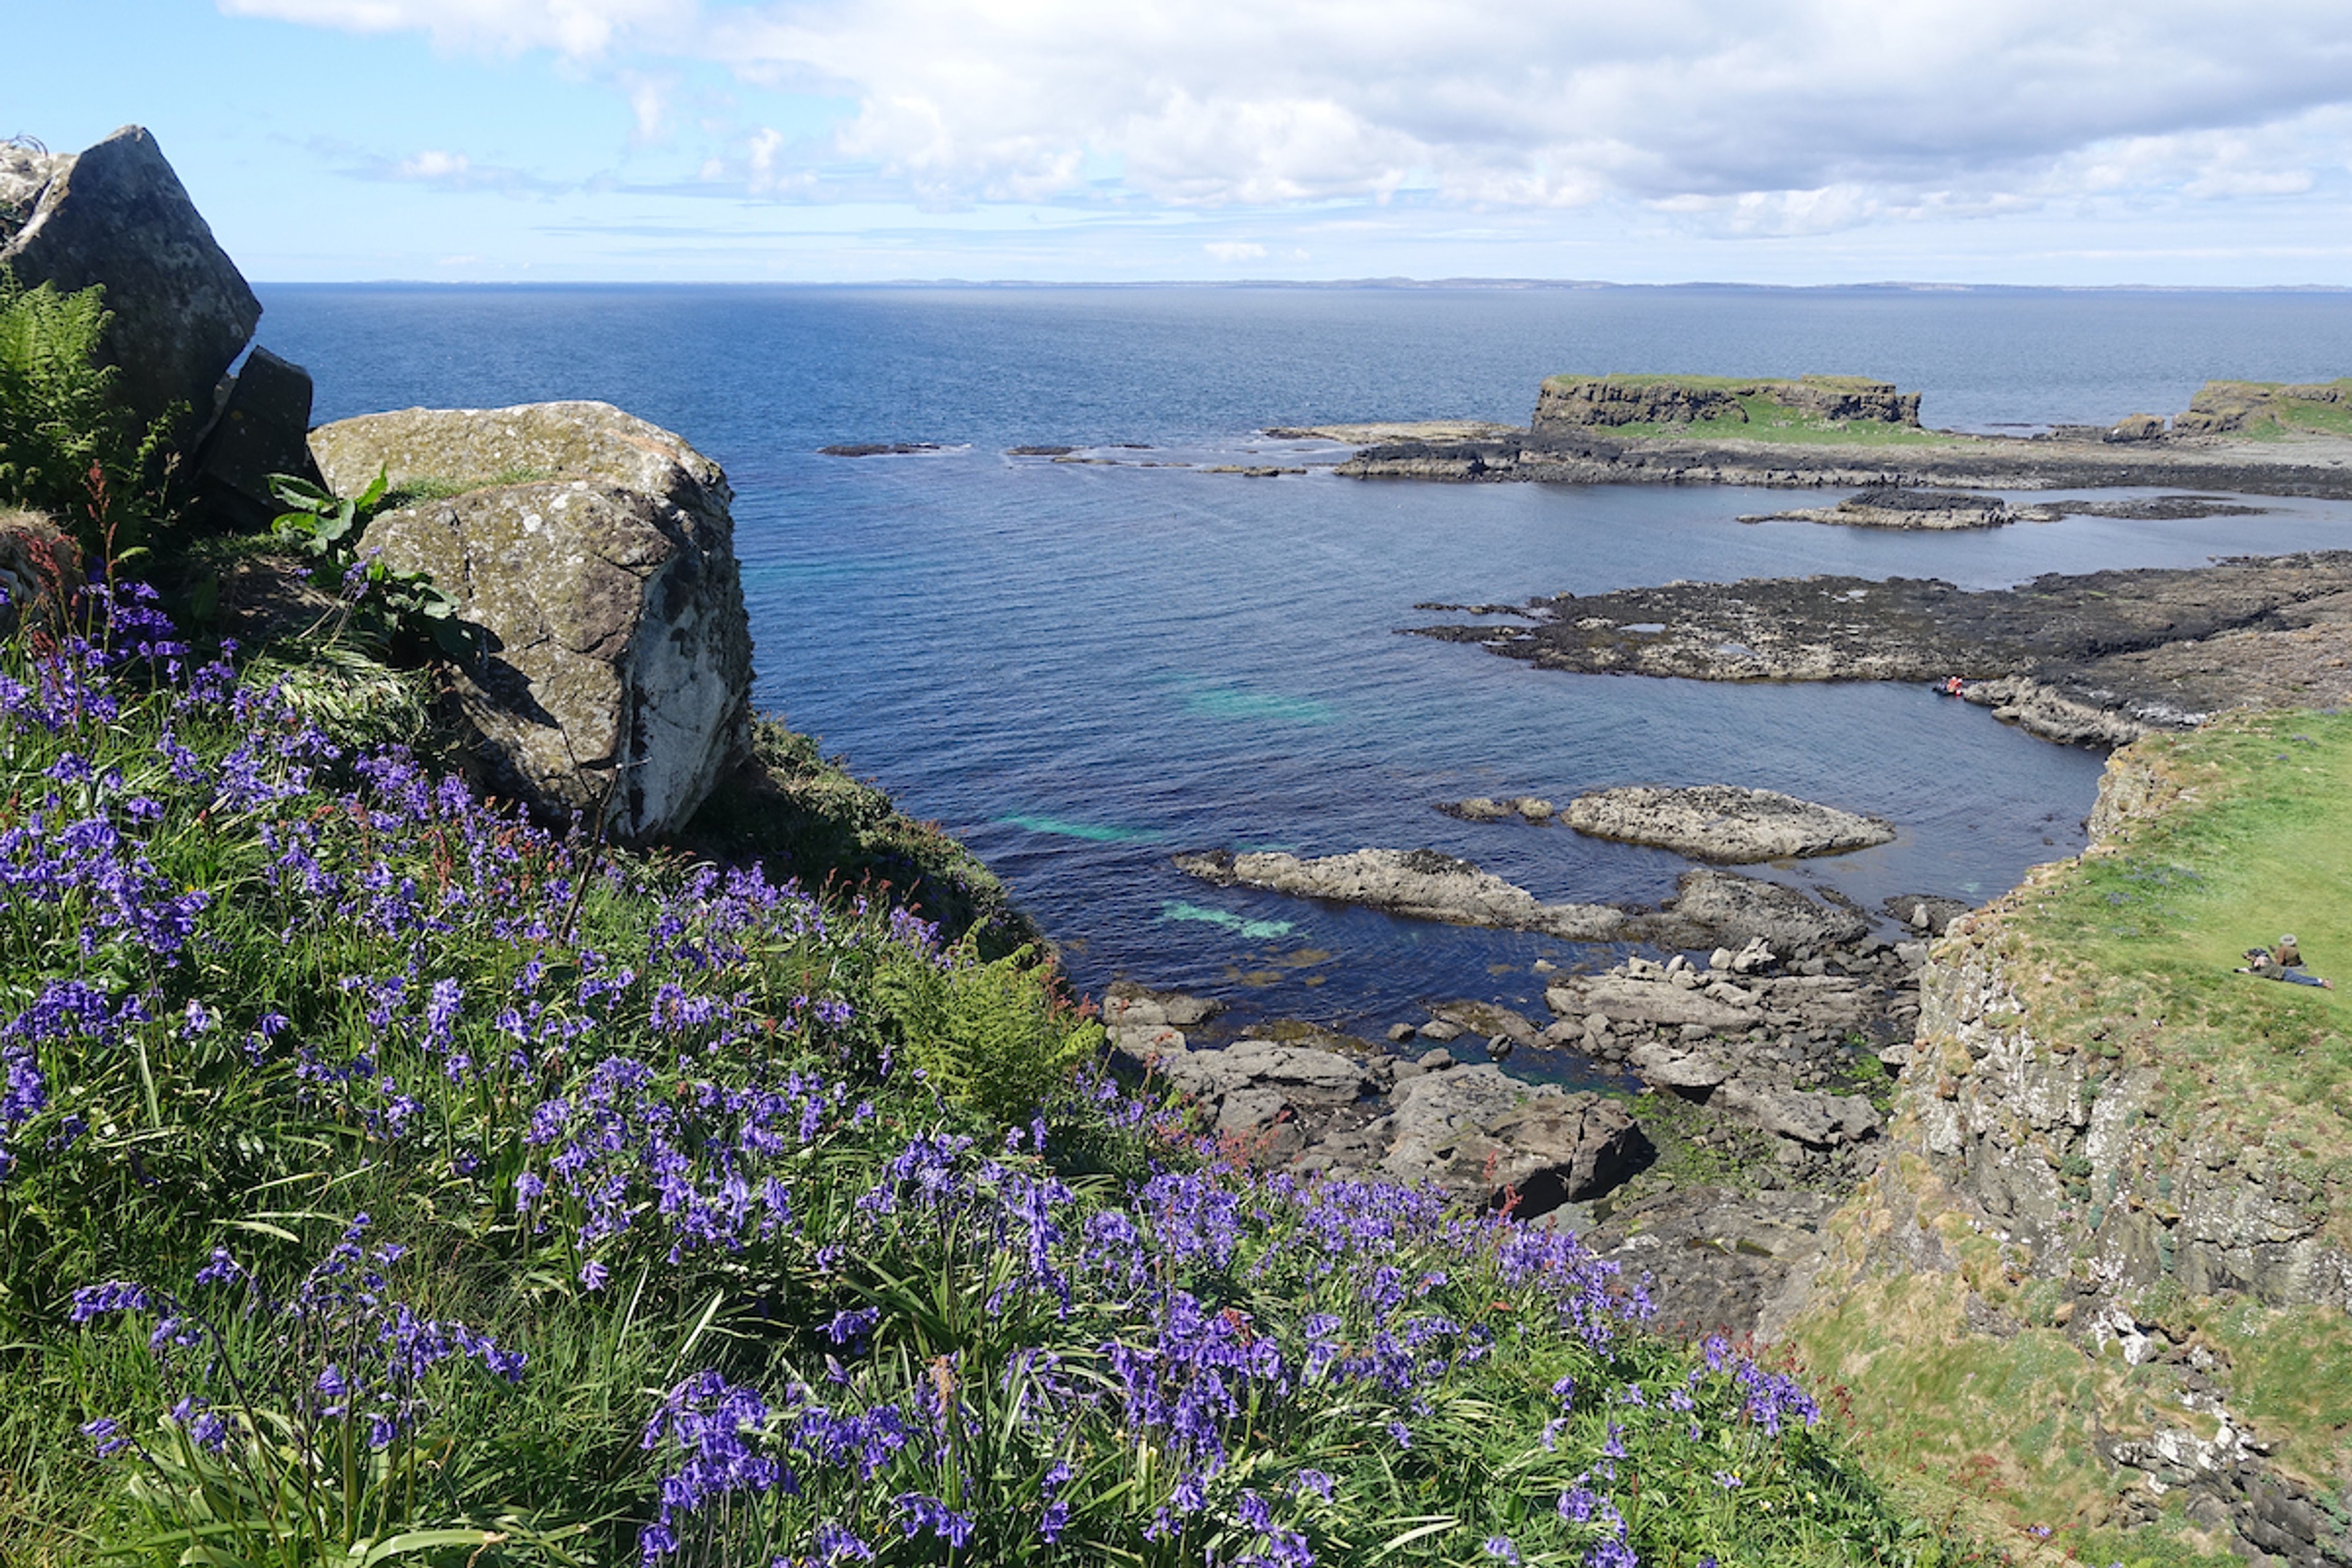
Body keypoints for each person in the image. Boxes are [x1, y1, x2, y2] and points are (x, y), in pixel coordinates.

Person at [2237, 947, 2334, 989]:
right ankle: (2321, 981)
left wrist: (2247, 972)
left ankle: (2323, 983)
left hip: (2285, 975)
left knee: (2302, 980)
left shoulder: (2267, 967)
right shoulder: (2265, 964)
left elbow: (2261, 974)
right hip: (2285, 972)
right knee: (2302, 979)